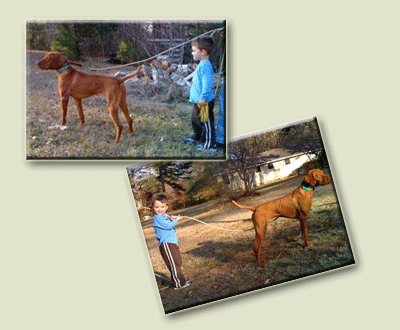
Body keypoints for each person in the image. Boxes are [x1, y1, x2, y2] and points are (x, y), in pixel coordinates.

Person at [184, 35, 217, 151]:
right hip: (197, 101)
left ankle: (210, 144)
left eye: (194, 51)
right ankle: (197, 136)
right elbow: (201, 78)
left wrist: (203, 98)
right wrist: (196, 69)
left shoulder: (206, 67)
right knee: (195, 119)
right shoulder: (202, 65)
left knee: (206, 122)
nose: (192, 53)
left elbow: (208, 84)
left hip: (204, 101)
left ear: (203, 52)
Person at [152, 194, 191, 290]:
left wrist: (171, 218)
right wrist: (176, 220)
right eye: (156, 207)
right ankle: (179, 283)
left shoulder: (164, 216)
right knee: (173, 263)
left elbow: (167, 221)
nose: (159, 209)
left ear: (166, 207)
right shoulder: (157, 218)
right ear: (153, 207)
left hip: (172, 243)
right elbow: (168, 226)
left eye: (162, 207)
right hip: (166, 244)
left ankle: (181, 279)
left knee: (177, 262)